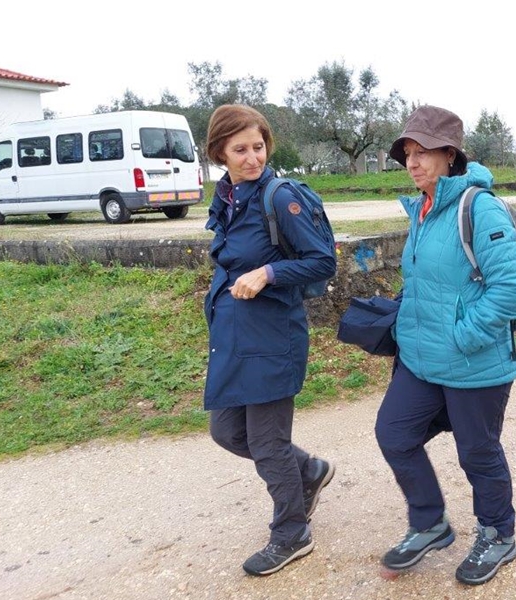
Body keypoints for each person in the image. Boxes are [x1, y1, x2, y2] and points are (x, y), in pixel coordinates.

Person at [374, 105, 516, 586]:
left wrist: (463, 336)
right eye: (407, 153)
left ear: (450, 155)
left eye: (423, 152)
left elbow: (509, 290)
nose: (413, 162)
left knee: (477, 452)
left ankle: (498, 534)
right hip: (421, 361)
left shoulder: (478, 207)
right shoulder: (422, 209)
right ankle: (430, 523)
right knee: (394, 434)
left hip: (472, 362)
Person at [202, 104, 338, 577]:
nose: (252, 158)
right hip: (235, 339)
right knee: (227, 432)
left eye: (258, 147)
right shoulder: (228, 198)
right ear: (219, 153)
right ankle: (309, 471)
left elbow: (323, 260)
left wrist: (268, 272)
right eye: (240, 149)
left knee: (267, 441)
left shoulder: (280, 197)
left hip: (273, 339)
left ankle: (292, 533)